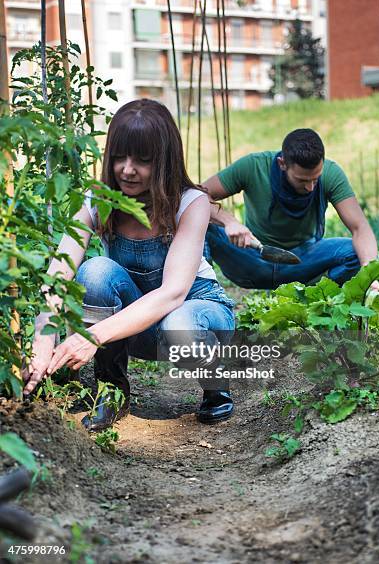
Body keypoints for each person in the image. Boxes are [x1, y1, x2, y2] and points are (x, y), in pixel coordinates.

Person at [23, 99, 235, 431]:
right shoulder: (97, 199)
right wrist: (42, 337)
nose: (127, 169)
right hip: (136, 323)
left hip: (197, 314)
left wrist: (90, 337)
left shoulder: (191, 202)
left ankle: (214, 384)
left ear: (164, 161)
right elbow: (58, 274)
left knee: (178, 323)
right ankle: (112, 391)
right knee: (94, 271)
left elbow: (172, 294)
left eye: (142, 160)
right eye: (120, 157)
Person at [203, 128, 379, 289]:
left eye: (315, 179)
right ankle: (205, 295)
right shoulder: (253, 166)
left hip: (302, 263)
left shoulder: (331, 174)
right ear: (282, 164)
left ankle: (314, 297)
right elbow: (197, 195)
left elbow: (360, 228)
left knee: (354, 253)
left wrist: (369, 275)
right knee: (200, 224)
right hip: (251, 259)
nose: (310, 187)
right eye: (302, 180)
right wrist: (229, 221)